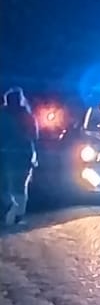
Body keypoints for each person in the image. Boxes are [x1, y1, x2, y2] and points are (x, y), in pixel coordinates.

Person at [0, 87, 38, 226]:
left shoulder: (2, 115)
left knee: (4, 185)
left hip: (4, 153)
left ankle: (8, 204)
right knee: (21, 186)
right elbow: (34, 136)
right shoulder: (27, 116)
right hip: (24, 153)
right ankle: (18, 214)